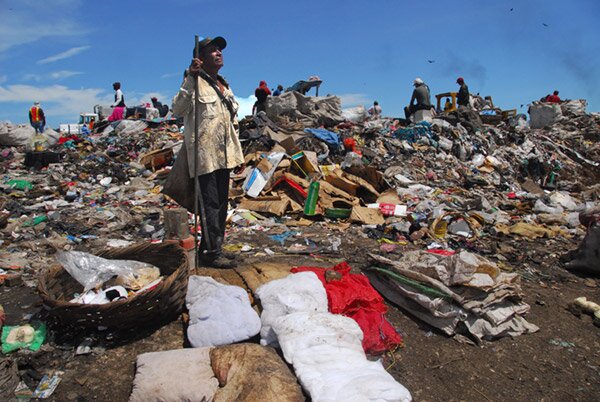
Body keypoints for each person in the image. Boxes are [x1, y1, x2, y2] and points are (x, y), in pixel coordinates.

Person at [172, 36, 244, 268]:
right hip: (204, 155)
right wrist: (190, 79)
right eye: (212, 51)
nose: (218, 53)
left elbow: (232, 124)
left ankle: (213, 248)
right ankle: (211, 254)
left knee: (222, 204)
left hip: (224, 155)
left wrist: (238, 155)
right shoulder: (193, 81)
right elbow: (178, 109)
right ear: (200, 59)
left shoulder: (224, 85)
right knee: (210, 205)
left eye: (219, 50)